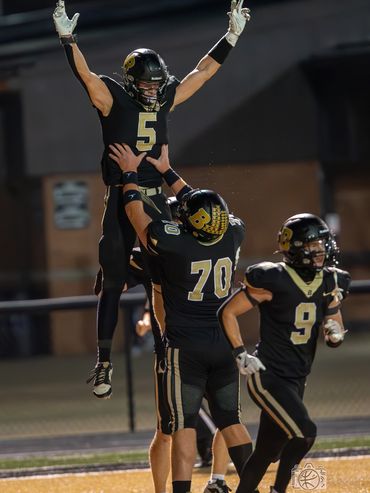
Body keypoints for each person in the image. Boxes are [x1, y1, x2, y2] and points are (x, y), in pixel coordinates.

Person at [52, 0, 251, 399]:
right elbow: (86, 77)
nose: (151, 91)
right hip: (121, 196)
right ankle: (104, 362)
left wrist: (230, 37)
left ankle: (167, 345)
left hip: (158, 196)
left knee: (166, 276)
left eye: (155, 85)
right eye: (144, 85)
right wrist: (67, 39)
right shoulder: (112, 97)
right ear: (129, 84)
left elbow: (202, 73)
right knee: (111, 280)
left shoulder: (164, 97)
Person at [108, 141, 253, 493]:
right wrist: (167, 171)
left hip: (185, 348)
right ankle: (253, 486)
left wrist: (129, 174)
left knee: (184, 426)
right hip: (224, 343)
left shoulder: (174, 243)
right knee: (231, 421)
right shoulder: (233, 231)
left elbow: (136, 214)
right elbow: (203, 207)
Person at [217, 213, 351, 493]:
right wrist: (240, 353)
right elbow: (227, 311)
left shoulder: (329, 281)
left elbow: (334, 329)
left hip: (296, 377)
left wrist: (334, 331)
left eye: (323, 245)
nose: (321, 252)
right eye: (314, 247)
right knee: (305, 433)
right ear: (297, 248)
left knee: (268, 450)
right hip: (267, 374)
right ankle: (279, 490)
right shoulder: (274, 278)